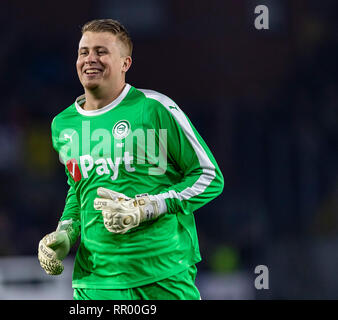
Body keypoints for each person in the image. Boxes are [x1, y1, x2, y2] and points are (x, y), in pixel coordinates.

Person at [38, 18, 224, 300]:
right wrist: (65, 233)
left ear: (125, 63)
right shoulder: (63, 124)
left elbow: (209, 176)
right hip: (96, 282)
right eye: (83, 52)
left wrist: (149, 206)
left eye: (101, 51)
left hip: (162, 274)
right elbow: (79, 191)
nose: (90, 59)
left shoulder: (154, 108)